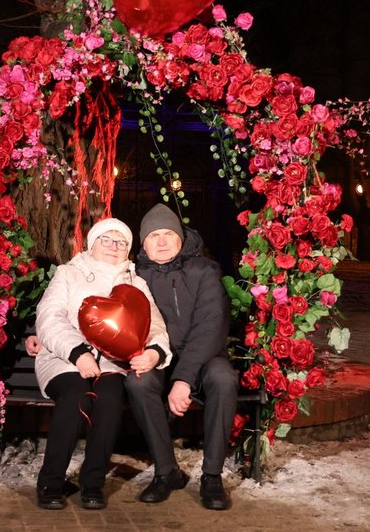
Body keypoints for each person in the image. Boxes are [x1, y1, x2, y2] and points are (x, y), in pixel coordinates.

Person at [32, 217, 171, 511]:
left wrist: (155, 352)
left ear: (128, 250)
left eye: (120, 242)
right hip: (64, 359)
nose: (113, 246)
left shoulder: (135, 283)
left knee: (109, 400)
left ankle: (92, 483)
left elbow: (154, 324)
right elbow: (49, 316)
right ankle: (50, 481)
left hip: (111, 363)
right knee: (77, 396)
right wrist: (77, 353)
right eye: (105, 240)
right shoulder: (69, 273)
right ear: (91, 244)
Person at [125, 203, 237, 510]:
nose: (161, 242)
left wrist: (184, 379)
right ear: (143, 243)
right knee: (138, 383)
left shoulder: (204, 270)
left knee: (223, 379)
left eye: (168, 234)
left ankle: (212, 476)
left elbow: (211, 325)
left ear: (181, 238)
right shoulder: (134, 276)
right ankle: (166, 471)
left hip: (203, 354)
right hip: (157, 355)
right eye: (154, 236)